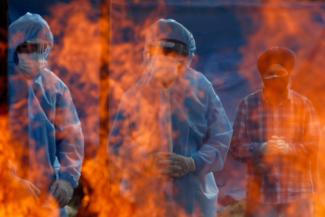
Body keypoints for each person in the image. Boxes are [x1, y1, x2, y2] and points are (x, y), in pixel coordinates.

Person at [109, 18, 232, 217]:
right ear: (148, 55)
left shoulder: (202, 89)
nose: (166, 61)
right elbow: (117, 147)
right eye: (161, 54)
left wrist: (193, 162)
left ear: (186, 59)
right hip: (147, 199)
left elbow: (222, 136)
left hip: (194, 200)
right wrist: (144, 162)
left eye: (174, 57)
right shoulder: (134, 95)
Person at [8, 12, 84, 215]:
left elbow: (71, 138)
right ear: (14, 47)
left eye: (42, 48)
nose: (36, 55)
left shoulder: (56, 88)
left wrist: (67, 180)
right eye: (30, 48)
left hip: (46, 198)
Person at [230, 47, 319, 217]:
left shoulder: (304, 105)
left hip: (298, 195)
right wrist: (262, 148)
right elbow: (235, 147)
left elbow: (315, 146)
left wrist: (289, 149)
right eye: (270, 74)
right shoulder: (248, 105)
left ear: (289, 74)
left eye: (280, 73)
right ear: (262, 77)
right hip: (261, 197)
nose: (275, 78)